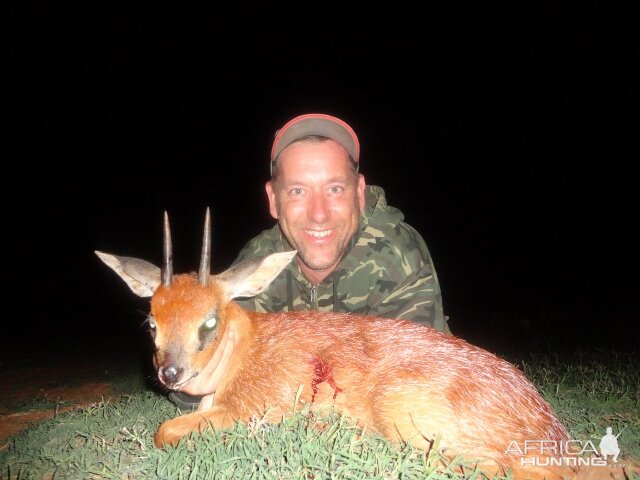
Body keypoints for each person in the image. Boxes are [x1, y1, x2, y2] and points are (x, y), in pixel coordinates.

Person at [170, 113, 450, 409]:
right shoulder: (258, 263)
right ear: (273, 199)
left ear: (359, 192)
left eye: (335, 189)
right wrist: (193, 387)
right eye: (298, 191)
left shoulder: (397, 251)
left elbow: (420, 374)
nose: (319, 214)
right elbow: (214, 355)